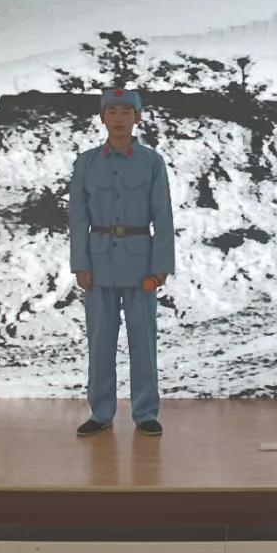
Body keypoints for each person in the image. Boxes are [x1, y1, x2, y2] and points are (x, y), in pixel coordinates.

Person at [69, 88, 175, 438]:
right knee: (100, 342)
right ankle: (100, 412)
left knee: (143, 341)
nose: (118, 118)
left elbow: (163, 215)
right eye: (112, 111)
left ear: (137, 118)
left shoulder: (151, 161)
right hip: (98, 264)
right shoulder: (86, 162)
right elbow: (77, 217)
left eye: (126, 112)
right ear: (102, 118)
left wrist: (160, 267)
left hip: (140, 263)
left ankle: (145, 413)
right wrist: (80, 264)